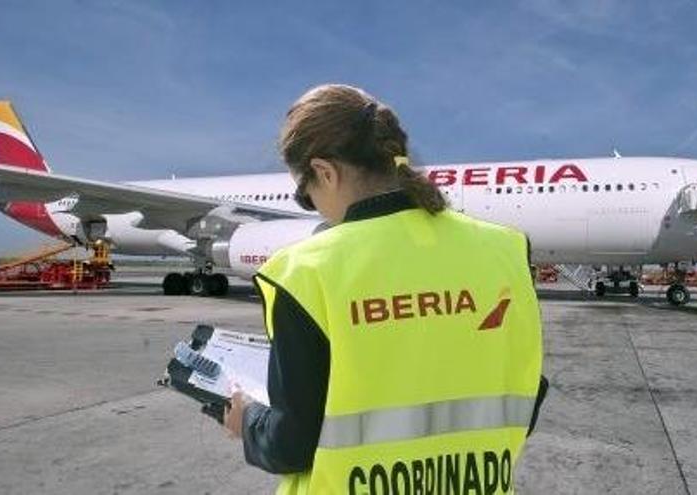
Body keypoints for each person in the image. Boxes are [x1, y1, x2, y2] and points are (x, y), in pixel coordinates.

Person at [222, 84, 548, 494]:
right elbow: (525, 394)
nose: (314, 207)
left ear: (326, 172)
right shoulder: (507, 251)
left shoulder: (304, 272)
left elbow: (292, 445)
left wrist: (248, 422)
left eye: (306, 196)